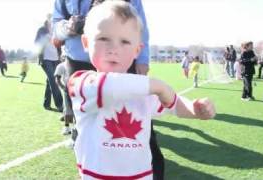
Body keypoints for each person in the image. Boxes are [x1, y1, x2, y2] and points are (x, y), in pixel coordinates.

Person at [68, 1, 216, 179]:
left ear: (137, 50)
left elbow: (172, 104)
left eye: (124, 41)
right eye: (103, 38)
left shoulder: (142, 89)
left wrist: (194, 109)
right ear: (85, 42)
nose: (114, 49)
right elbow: (110, 86)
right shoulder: (82, 83)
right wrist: (159, 86)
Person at [52, 1, 167, 179]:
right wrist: (69, 26)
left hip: (122, 60)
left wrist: (142, 60)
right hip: (79, 62)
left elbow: (140, 24)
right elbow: (56, 26)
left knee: (142, 127)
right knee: (87, 132)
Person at [35, 17, 63, 112]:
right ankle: (60, 105)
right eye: (49, 19)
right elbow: (36, 42)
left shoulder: (56, 31)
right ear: (46, 21)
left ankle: (46, 104)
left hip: (55, 59)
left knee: (50, 82)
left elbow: (60, 44)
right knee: (53, 80)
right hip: (46, 59)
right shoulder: (42, 30)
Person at [54, 60, 74, 135]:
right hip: (67, 89)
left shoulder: (77, 63)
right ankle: (66, 127)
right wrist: (63, 88)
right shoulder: (61, 65)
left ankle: (76, 126)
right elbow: (57, 79)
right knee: (67, 109)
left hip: (77, 88)